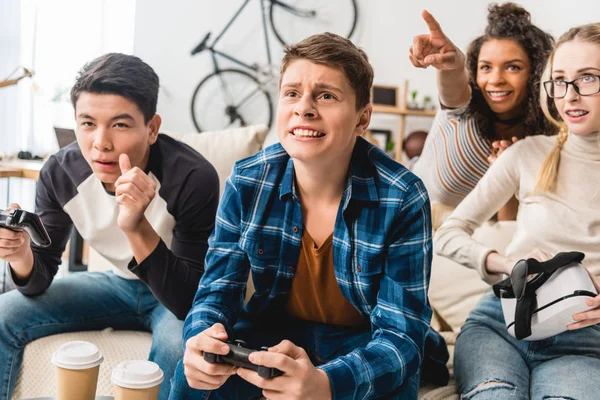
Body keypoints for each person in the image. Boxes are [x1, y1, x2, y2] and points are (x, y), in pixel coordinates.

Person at [170, 33, 449, 399]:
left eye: (326, 95)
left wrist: (327, 384)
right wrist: (201, 337)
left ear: (363, 118)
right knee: (191, 377)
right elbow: (216, 292)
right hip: (277, 330)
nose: (304, 108)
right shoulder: (247, 180)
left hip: (367, 341)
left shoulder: (402, 197)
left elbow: (399, 337)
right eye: (291, 93)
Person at [0, 53, 219, 400]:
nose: (100, 142)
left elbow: (185, 299)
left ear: (151, 128)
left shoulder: (193, 177)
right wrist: (22, 254)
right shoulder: (60, 173)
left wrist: (136, 227)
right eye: (87, 123)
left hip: (175, 295)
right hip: (115, 285)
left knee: (181, 347)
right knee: (3, 312)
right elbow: (38, 279)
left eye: (119, 124)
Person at [434, 23, 600, 399]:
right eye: (559, 80)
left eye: (587, 77)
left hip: (582, 340)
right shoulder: (525, 155)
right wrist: (508, 263)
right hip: (498, 324)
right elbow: (447, 232)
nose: (569, 95)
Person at [409, 3, 556, 222]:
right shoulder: (464, 107)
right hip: (411, 207)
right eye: (486, 67)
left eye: (513, 67)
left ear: (536, 73)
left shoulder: (542, 137)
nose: (495, 79)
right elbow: (453, 81)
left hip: (469, 232)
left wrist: (507, 172)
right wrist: (454, 63)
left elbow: (509, 225)